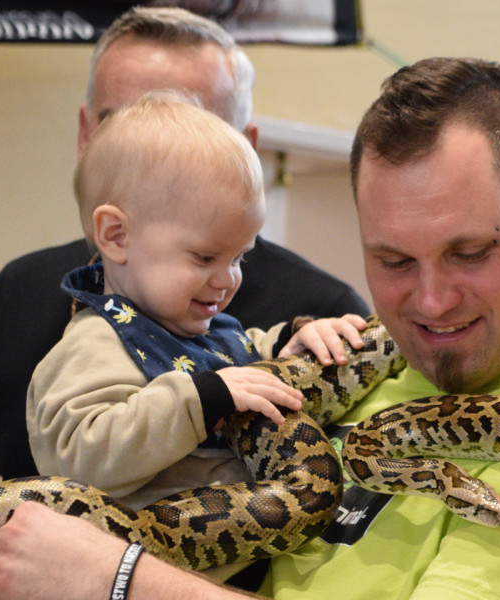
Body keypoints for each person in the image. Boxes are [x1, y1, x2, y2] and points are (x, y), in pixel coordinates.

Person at [0, 56, 500, 600]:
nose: (430, 301)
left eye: (470, 251)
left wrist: (114, 577)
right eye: (393, 260)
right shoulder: (370, 373)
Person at [0, 7, 369, 598]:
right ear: (87, 136)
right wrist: (25, 571)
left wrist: (300, 337)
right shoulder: (28, 298)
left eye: (192, 125)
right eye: (122, 123)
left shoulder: (313, 307)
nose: (225, 280)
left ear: (246, 147)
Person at [28, 90, 365, 516]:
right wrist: (200, 399)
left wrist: (294, 341)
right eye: (205, 257)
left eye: (239, 257)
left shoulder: (207, 328)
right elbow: (77, 457)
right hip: (145, 567)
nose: (228, 280)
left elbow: (248, 358)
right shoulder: (94, 345)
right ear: (116, 236)